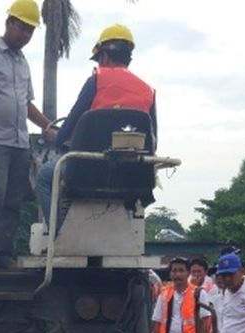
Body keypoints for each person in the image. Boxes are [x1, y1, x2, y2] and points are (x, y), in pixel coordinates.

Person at [35, 23, 156, 225]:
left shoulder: (96, 80)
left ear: (105, 57)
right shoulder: (148, 91)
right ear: (129, 58)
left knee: (45, 176)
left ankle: (56, 235)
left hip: (88, 172)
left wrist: (56, 137)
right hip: (132, 176)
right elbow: (153, 139)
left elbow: (69, 126)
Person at [0, 0, 54, 271]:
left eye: (30, 31)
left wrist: (47, 126)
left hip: (18, 143)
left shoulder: (23, 63)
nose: (25, 35)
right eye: (22, 29)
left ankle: (2, 253)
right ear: (9, 23)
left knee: (13, 201)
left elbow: (26, 104)